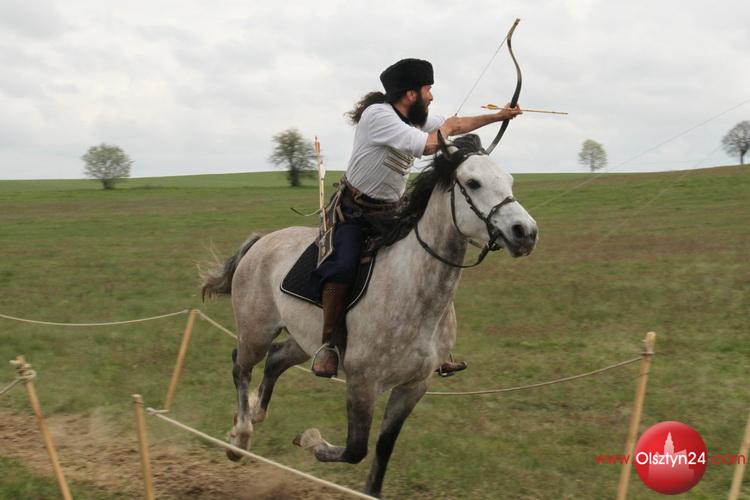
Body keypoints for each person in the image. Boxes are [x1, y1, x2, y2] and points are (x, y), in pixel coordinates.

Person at [311, 58, 522, 378]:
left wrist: (498, 116)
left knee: (429, 259)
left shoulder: (413, 117)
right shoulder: (378, 115)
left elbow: (454, 124)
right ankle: (329, 345)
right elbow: (426, 146)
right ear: (410, 94)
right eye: (428, 89)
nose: (431, 96)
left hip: (392, 210)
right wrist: (447, 132)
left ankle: (436, 344)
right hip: (354, 212)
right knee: (342, 266)